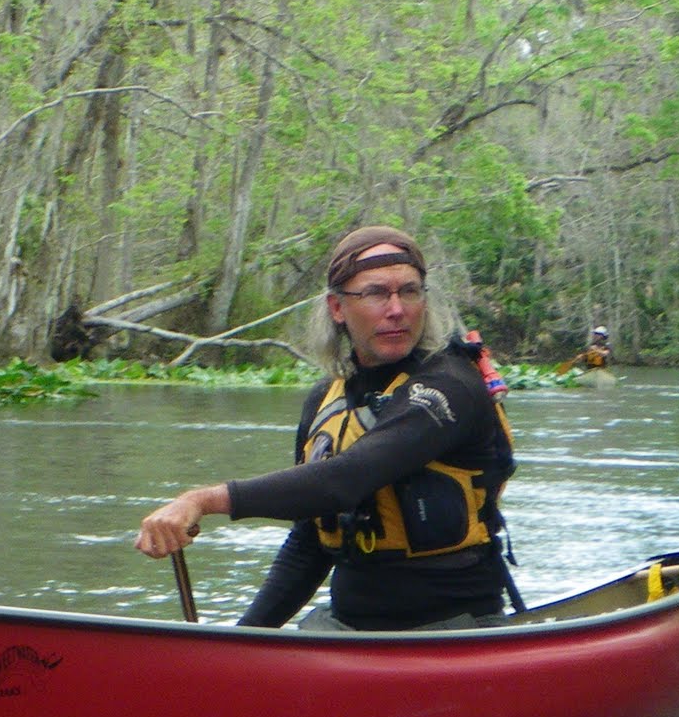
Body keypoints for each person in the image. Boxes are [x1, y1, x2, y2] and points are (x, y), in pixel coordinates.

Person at [134, 225, 516, 631]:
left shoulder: (451, 385)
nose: (397, 309)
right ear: (337, 308)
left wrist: (204, 500)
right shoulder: (325, 400)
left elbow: (344, 481)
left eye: (409, 291)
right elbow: (309, 544)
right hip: (348, 630)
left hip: (452, 630)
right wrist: (244, 639)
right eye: (375, 293)